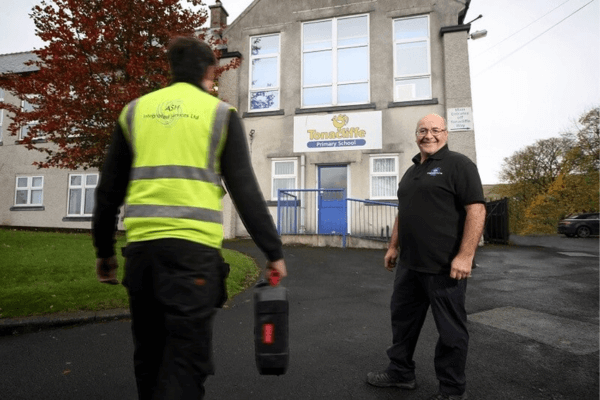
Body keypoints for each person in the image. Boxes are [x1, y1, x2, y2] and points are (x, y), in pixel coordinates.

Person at [92, 36, 287, 400]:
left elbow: (108, 191)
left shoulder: (134, 112)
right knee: (185, 362)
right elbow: (245, 190)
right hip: (193, 260)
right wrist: (272, 251)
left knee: (149, 358)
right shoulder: (219, 115)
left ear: (172, 70)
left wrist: (104, 251)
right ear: (210, 72)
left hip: (142, 258)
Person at [366, 114, 486, 400]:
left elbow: (476, 210)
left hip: (445, 267)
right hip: (409, 265)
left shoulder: (459, 165)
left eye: (435, 130)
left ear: (445, 133)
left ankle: (453, 391)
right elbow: (403, 211)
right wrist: (393, 246)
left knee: (450, 332)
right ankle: (400, 373)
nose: (428, 135)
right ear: (415, 134)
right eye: (422, 130)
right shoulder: (411, 171)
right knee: (403, 322)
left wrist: (466, 255)